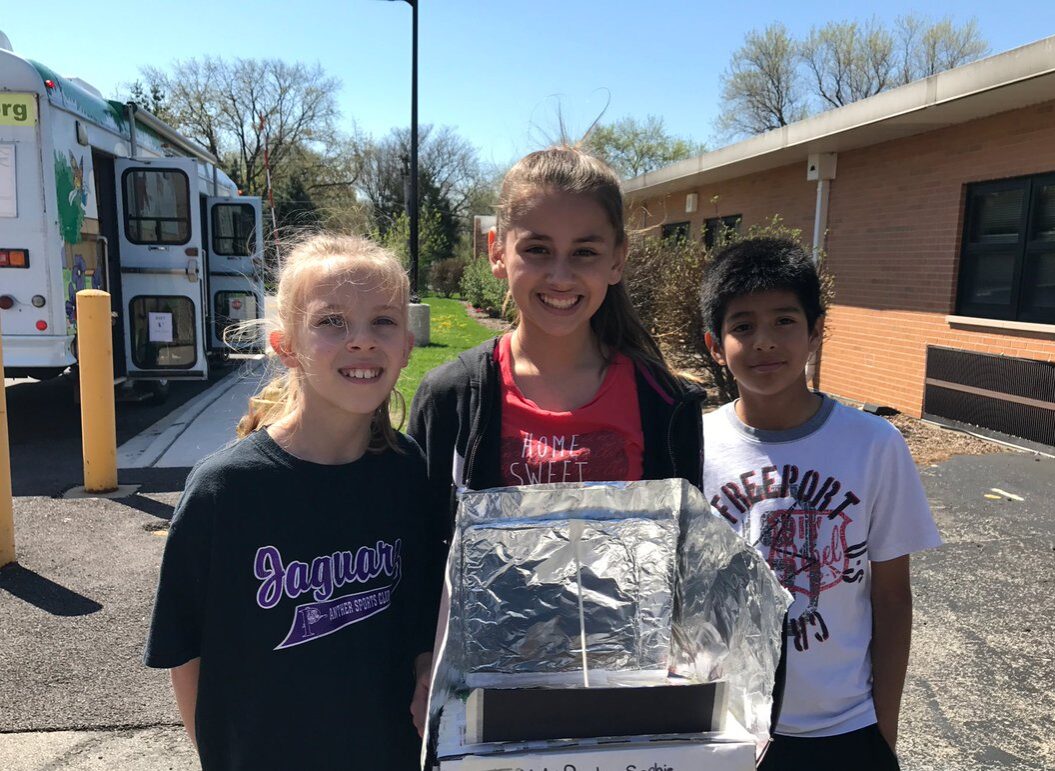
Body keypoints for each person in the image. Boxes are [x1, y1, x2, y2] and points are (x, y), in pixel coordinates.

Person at [145, 234, 436, 770]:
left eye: (383, 322)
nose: (362, 341)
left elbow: (421, 614)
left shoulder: (410, 474)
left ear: (407, 347)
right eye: (331, 322)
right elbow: (183, 653)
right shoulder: (225, 491)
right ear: (285, 346)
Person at [698, 237, 942, 770]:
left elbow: (892, 597)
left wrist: (885, 726)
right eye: (742, 326)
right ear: (715, 344)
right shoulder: (693, 446)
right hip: (729, 723)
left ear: (816, 331)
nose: (764, 342)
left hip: (844, 725)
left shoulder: (874, 444)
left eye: (784, 320)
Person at [409, 146, 705, 554]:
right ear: (497, 251)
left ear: (617, 259)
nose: (561, 277)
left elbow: (685, 562)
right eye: (537, 249)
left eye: (585, 252)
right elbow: (417, 552)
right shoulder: (450, 399)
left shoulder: (666, 401)